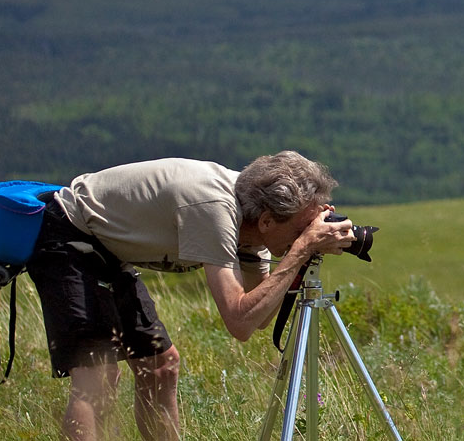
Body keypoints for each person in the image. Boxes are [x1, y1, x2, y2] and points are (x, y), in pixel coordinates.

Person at [28, 152, 358, 441]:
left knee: (161, 367)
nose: (309, 232)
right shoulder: (215, 210)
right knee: (98, 373)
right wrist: (300, 250)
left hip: (110, 249)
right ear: (269, 220)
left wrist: (299, 252)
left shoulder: (256, 220)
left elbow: (260, 318)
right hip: (68, 231)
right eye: (302, 227)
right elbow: (239, 321)